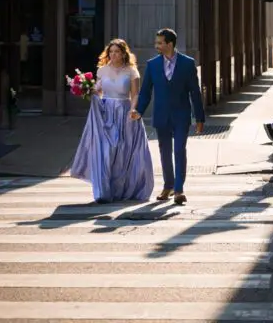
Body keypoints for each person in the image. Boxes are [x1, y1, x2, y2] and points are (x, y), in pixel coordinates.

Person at [70, 38, 154, 204]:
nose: (113, 55)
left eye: (117, 52)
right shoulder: (102, 70)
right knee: (107, 151)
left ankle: (124, 189)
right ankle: (105, 190)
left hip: (125, 112)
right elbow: (98, 91)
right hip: (106, 112)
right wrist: (85, 88)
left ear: (123, 53)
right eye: (111, 52)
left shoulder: (131, 71)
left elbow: (135, 94)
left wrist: (133, 109)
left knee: (124, 151)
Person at [131, 28, 205, 204]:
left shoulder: (188, 63)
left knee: (179, 150)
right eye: (156, 42)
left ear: (169, 44)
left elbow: (195, 92)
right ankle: (168, 186)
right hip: (161, 115)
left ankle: (179, 190)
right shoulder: (152, 64)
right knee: (165, 152)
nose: (156, 45)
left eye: (160, 42)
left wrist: (199, 118)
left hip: (182, 115)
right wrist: (138, 111)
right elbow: (146, 92)